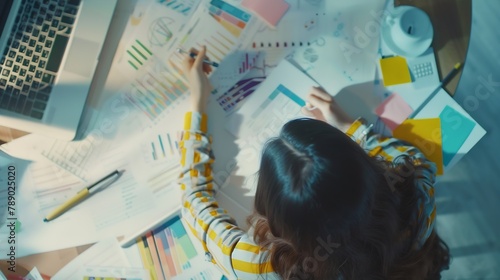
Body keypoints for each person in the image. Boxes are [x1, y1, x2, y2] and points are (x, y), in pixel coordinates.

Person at [178, 46, 450, 279]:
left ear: (275, 216)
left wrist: (196, 103)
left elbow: (192, 200)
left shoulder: (265, 268)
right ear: (365, 168)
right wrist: (351, 127)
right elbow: (416, 160)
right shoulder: (416, 200)